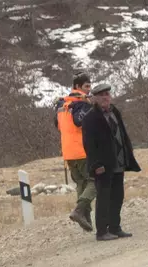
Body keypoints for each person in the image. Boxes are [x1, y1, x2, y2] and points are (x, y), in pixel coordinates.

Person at [82, 84, 141, 241]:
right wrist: (96, 165)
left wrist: (129, 152)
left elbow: (122, 134)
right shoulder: (90, 117)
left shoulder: (115, 111)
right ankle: (101, 232)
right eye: (101, 95)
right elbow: (88, 144)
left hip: (119, 161)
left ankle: (115, 227)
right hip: (103, 165)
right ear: (94, 98)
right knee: (103, 197)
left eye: (107, 94)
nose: (105, 97)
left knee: (118, 196)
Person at [55, 72, 96, 232]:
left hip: (67, 152)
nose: (88, 89)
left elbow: (57, 125)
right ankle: (79, 211)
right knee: (95, 181)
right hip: (82, 150)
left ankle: (85, 218)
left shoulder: (62, 105)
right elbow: (80, 122)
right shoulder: (81, 103)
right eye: (86, 86)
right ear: (77, 87)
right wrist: (91, 108)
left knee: (81, 183)